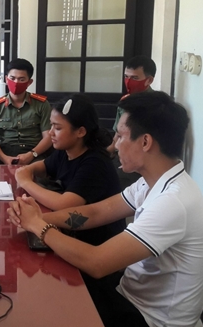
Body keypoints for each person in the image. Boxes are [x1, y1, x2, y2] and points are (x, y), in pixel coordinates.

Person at [9, 91, 203, 327]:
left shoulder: (173, 202)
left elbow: (97, 263)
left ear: (145, 142)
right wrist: (36, 217)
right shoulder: (151, 183)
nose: (115, 145)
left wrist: (39, 227)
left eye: (120, 136)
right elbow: (96, 212)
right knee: (50, 296)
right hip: (129, 297)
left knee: (43, 324)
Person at [14, 94, 125, 246]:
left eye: (58, 128)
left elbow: (64, 204)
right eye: (51, 125)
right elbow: (42, 167)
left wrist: (26, 182)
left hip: (96, 244)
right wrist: (28, 171)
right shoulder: (66, 150)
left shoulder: (95, 163)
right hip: (71, 233)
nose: (51, 132)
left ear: (80, 132)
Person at [0, 58, 52, 165]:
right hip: (4, 153)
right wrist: (4, 158)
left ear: (29, 82)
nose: (16, 82)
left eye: (21, 79)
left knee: (40, 172)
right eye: (12, 78)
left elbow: (48, 137)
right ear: (6, 79)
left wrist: (31, 154)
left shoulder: (42, 105)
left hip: (33, 153)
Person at [107, 56, 157, 189]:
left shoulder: (157, 105)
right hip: (121, 155)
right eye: (126, 77)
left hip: (143, 161)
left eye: (134, 78)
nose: (128, 82)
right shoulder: (125, 102)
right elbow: (117, 134)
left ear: (149, 80)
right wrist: (107, 152)